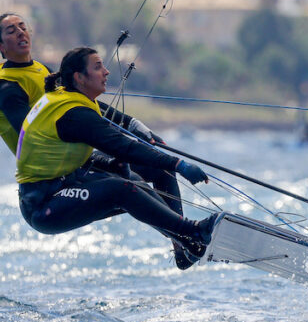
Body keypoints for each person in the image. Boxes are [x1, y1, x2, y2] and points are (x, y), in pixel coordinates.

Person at [0, 13, 198, 268]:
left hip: (74, 153)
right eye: (10, 31)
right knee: (130, 182)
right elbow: (33, 134)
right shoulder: (6, 86)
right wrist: (97, 137)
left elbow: (82, 99)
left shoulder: (40, 69)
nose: (20, 32)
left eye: (22, 27)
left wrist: (131, 124)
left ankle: (183, 244)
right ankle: (189, 234)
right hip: (51, 169)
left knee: (155, 169)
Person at [16, 46, 221, 264]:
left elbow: (118, 125)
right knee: (120, 189)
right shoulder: (73, 114)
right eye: (97, 67)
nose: (106, 72)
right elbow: (124, 147)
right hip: (43, 204)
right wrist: (180, 164)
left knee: (144, 174)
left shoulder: (72, 97)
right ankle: (191, 232)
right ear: (79, 77)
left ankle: (184, 246)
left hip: (69, 180)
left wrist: (147, 141)